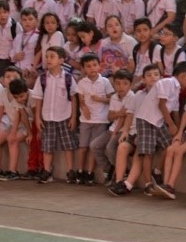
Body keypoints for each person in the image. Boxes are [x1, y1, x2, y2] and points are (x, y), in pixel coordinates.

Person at [108, 64, 171, 196]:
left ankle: (130, 184)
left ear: (161, 78)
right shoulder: (138, 95)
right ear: (143, 79)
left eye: (156, 74)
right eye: (149, 75)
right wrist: (125, 131)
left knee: (140, 152)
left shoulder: (164, 94)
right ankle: (119, 181)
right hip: (135, 131)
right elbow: (130, 114)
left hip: (151, 132)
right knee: (122, 147)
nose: (153, 77)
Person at [33, 46, 78, 184]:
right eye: (47, 56)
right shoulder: (42, 79)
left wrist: (73, 117)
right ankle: (47, 171)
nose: (48, 59)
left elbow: (73, 98)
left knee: (68, 145)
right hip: (48, 117)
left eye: (52, 56)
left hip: (65, 116)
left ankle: (70, 171)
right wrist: (37, 117)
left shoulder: (68, 78)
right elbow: (38, 99)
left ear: (61, 60)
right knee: (47, 146)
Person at [74, 53, 114, 185]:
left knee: (93, 147)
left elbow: (111, 99)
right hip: (85, 120)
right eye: (88, 66)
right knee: (83, 147)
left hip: (101, 120)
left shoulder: (105, 82)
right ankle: (80, 170)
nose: (92, 68)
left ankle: (90, 172)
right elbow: (80, 100)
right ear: (83, 68)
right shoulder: (82, 82)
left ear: (99, 65)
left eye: (94, 65)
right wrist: (84, 107)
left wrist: (100, 99)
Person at [89, 69, 133, 187]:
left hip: (124, 130)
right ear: (114, 84)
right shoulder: (114, 97)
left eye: (125, 83)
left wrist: (117, 118)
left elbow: (125, 118)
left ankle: (122, 172)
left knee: (110, 148)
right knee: (94, 145)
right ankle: (110, 169)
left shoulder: (132, 97)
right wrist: (118, 113)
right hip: (113, 128)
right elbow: (110, 117)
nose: (121, 87)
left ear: (130, 84)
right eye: (118, 83)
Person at [0, 78, 33, 181]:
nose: (10, 79)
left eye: (13, 76)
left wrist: (28, 133)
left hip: (27, 125)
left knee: (12, 140)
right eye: (7, 76)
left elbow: (22, 117)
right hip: (13, 124)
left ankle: (13, 171)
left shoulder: (28, 95)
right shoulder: (6, 93)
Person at [0, 0, 21, 77]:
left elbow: (21, 44)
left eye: (5, 12)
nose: (2, 15)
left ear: (9, 13)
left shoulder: (15, 26)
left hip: (10, 60)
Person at [129, 18, 162, 88]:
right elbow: (134, 68)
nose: (142, 33)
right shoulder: (135, 49)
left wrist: (134, 83)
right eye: (138, 31)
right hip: (135, 81)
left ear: (151, 31)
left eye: (145, 30)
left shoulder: (156, 49)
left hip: (148, 83)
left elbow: (160, 71)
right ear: (134, 33)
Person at [12, 8, 40, 85]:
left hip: (30, 71)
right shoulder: (19, 35)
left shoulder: (39, 36)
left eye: (30, 19)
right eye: (24, 20)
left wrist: (28, 68)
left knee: (22, 86)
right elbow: (12, 50)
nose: (27, 22)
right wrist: (14, 57)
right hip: (16, 68)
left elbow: (40, 57)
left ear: (37, 20)